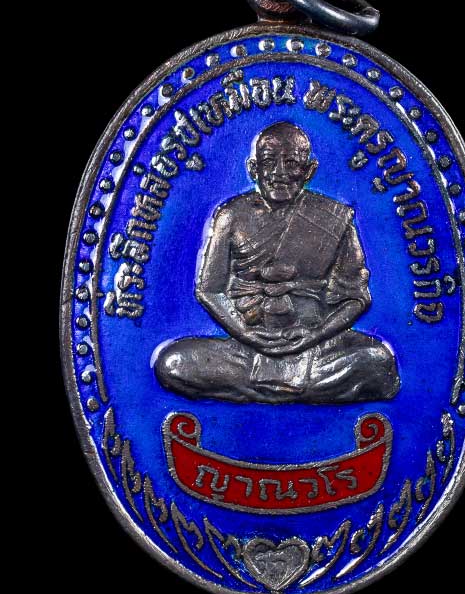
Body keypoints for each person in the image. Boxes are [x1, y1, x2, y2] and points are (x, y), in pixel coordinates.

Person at [155, 121, 400, 403]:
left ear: (308, 171)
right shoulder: (231, 216)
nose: (279, 173)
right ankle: (293, 391)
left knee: (379, 362)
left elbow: (356, 297)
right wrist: (247, 334)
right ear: (253, 169)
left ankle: (261, 391)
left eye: (292, 163)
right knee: (173, 363)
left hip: (315, 345)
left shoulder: (334, 217)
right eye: (269, 162)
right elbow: (209, 290)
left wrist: (314, 335)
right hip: (247, 346)